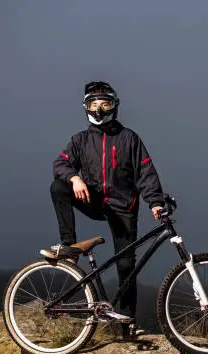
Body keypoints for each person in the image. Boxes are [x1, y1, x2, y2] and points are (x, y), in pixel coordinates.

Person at [40, 81, 165, 339]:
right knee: (58, 187)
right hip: (94, 200)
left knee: (126, 267)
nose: (98, 109)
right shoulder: (80, 140)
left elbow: (146, 173)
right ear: (86, 107)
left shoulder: (129, 138)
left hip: (123, 210)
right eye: (93, 104)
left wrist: (155, 202)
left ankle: (126, 326)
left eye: (104, 104)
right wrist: (74, 178)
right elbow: (60, 164)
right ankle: (68, 247)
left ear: (114, 106)